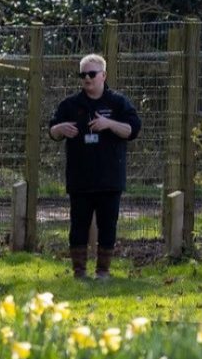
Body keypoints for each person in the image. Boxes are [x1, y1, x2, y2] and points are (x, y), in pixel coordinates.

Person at [48, 54, 142, 280]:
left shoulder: (118, 103)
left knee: (108, 225)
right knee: (78, 225)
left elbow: (132, 130)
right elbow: (51, 131)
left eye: (92, 74)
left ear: (104, 75)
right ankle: (79, 271)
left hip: (110, 178)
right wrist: (60, 129)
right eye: (83, 75)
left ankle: (103, 271)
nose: (87, 78)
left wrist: (109, 124)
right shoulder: (70, 104)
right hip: (80, 178)